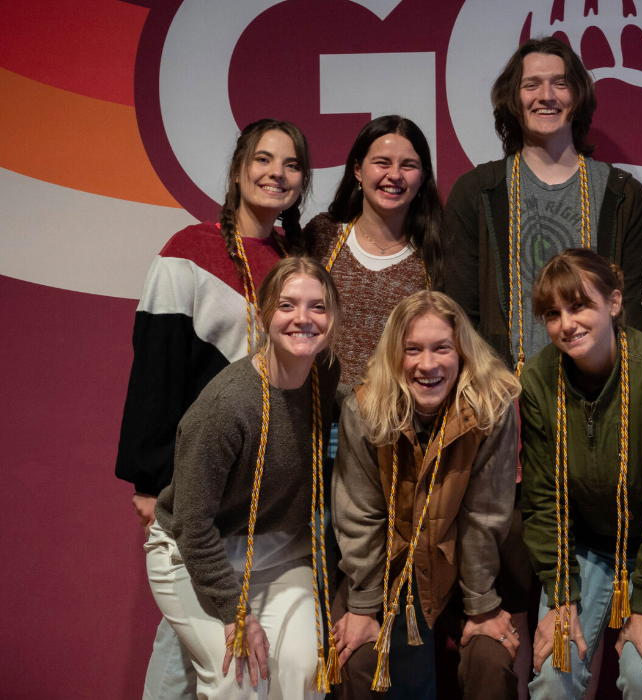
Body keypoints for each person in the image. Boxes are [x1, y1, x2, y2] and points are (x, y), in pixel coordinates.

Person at [114, 119, 312, 699]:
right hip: (192, 486)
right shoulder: (189, 251)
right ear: (237, 169)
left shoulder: (292, 262)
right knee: (201, 646)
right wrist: (151, 483)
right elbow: (155, 371)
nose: (277, 173)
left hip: (258, 496)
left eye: (292, 164)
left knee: (201, 645)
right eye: (264, 159)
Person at [521, 249, 642, 699]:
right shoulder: (537, 379)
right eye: (553, 314)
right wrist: (560, 595)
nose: (566, 324)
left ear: (612, 302)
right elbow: (543, 497)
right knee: (555, 669)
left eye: (579, 306)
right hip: (589, 544)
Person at [146, 256, 342, 699]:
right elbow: (193, 529)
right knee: (241, 680)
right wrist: (237, 613)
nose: (303, 319)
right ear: (263, 314)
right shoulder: (227, 407)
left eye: (318, 307)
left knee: (303, 669)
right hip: (193, 553)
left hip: (278, 551)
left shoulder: (324, 372)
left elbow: (336, 408)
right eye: (287, 305)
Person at [330, 291, 521, 700]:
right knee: (359, 658)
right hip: (385, 567)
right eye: (412, 350)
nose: (427, 364)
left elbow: (484, 516)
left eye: (442, 349)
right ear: (394, 355)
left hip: (459, 569)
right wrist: (363, 606)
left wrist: (481, 604)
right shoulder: (364, 409)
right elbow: (359, 515)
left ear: (463, 353)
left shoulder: (492, 407)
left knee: (491, 657)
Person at [444, 36, 642, 374]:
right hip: (502, 396)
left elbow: (635, 312)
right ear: (513, 99)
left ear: (578, 96)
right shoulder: (477, 192)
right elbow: (457, 310)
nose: (547, 96)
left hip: (602, 393)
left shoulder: (621, 195)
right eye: (532, 85)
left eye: (560, 84)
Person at [305, 115, 444, 386]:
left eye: (409, 165)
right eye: (382, 162)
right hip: (320, 416)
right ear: (358, 169)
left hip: (402, 418)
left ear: (423, 175)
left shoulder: (438, 250)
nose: (394, 175)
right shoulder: (323, 235)